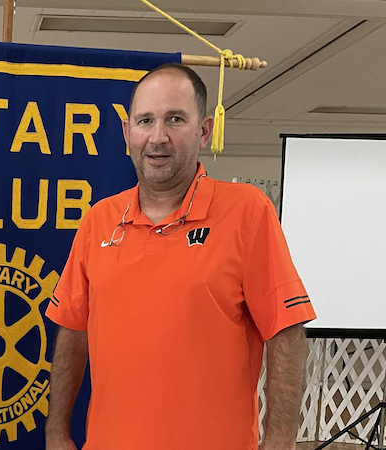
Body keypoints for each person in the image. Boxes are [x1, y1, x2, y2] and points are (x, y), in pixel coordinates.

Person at [44, 63, 316, 450]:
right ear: (127, 133)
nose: (157, 137)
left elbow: (286, 332)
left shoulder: (247, 212)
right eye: (145, 121)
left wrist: (279, 442)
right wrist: (57, 433)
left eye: (175, 119)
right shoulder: (98, 220)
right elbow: (73, 332)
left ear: (203, 131)